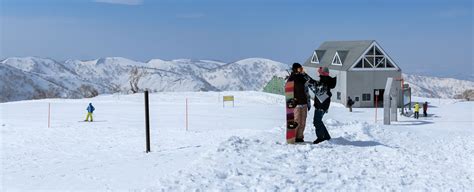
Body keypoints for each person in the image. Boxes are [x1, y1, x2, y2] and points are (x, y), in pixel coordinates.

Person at [288, 63, 316, 143]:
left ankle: (299, 137)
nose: (301, 69)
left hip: (304, 103)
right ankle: (293, 137)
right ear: (296, 68)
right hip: (296, 104)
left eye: (301, 67)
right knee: (296, 121)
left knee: (303, 121)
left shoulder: (303, 77)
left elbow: (309, 84)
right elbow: (288, 90)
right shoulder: (291, 78)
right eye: (299, 68)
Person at [311, 67, 336, 144]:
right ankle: (326, 136)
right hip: (323, 105)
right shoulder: (326, 80)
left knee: (317, 121)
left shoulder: (324, 81)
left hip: (321, 105)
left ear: (322, 73)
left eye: (319, 72)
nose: (318, 74)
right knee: (319, 121)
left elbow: (319, 90)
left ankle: (321, 137)